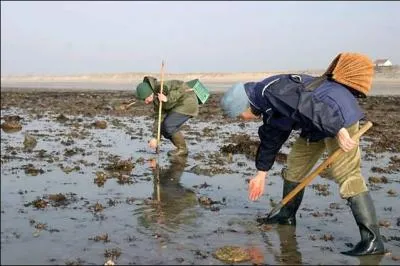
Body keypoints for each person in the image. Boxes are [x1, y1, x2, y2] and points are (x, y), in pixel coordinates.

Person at [220, 52, 385, 256]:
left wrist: (339, 130)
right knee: (294, 168)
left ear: (244, 105)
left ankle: (372, 240)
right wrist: (261, 173)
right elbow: (272, 137)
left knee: (347, 174)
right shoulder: (267, 104)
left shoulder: (273, 91)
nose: (243, 119)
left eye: (240, 115)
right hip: (315, 124)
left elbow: (309, 104)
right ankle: (286, 216)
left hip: (336, 115)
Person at [135, 76, 199, 156]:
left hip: (187, 102)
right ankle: (180, 148)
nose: (145, 102)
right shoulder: (155, 100)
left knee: (169, 125)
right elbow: (159, 118)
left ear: (149, 94)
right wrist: (155, 138)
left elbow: (183, 89)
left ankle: (183, 149)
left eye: (145, 99)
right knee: (164, 129)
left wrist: (167, 99)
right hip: (177, 106)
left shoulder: (162, 87)